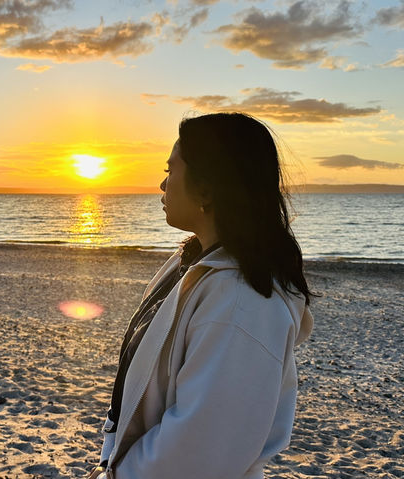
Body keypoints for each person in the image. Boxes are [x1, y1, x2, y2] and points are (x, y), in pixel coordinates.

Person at [88, 112, 314, 479]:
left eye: (171, 170)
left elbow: (200, 450)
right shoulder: (191, 262)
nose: (162, 184)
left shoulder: (243, 302)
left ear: (207, 188)